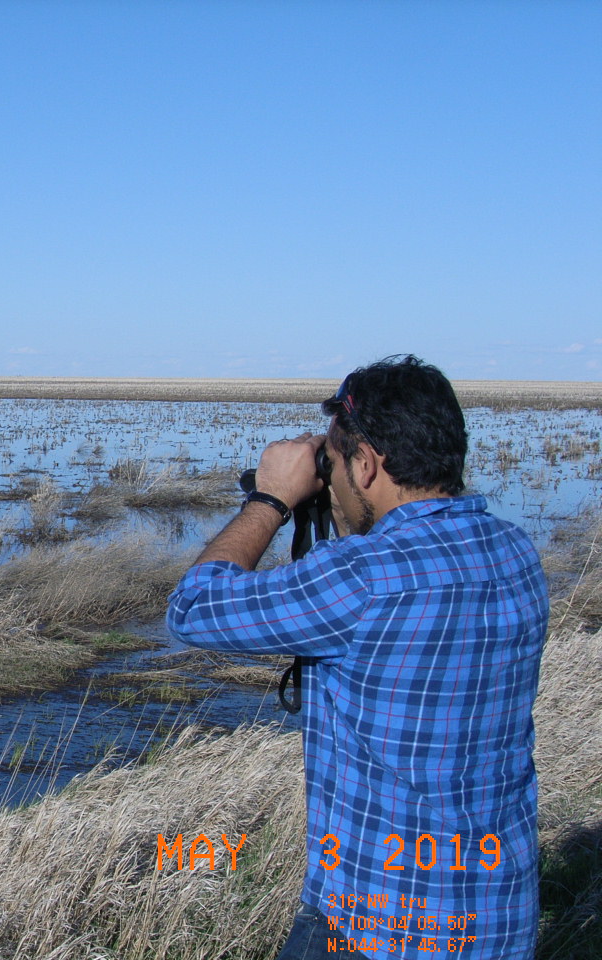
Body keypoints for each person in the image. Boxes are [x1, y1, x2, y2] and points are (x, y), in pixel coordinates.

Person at [166, 355, 547, 960]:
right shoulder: (515, 553)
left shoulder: (363, 578)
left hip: (375, 922)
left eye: (337, 466)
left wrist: (271, 499)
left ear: (367, 464)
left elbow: (193, 607)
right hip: (497, 917)